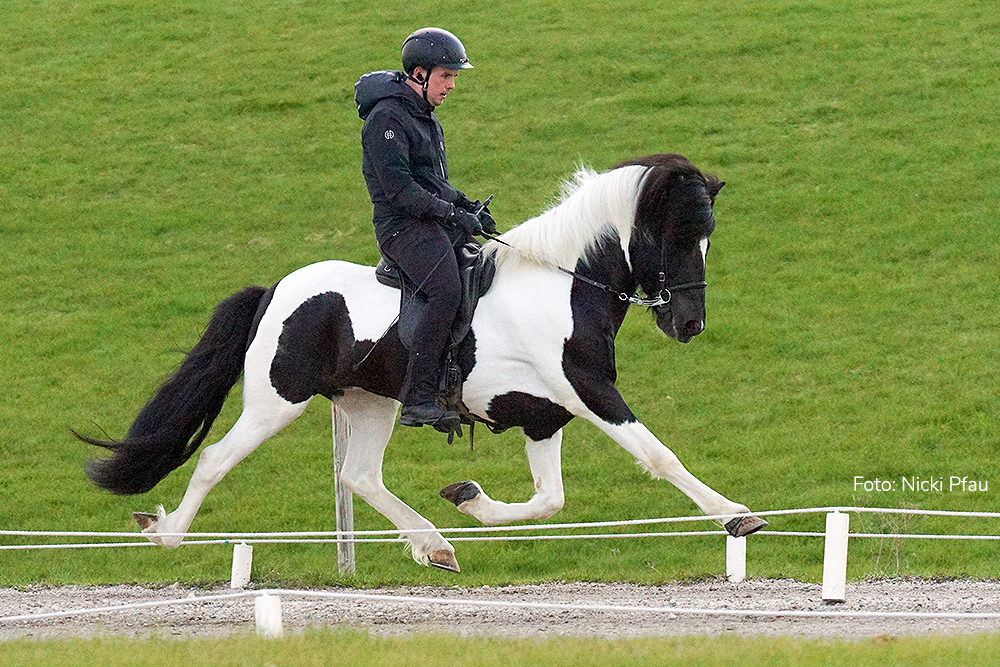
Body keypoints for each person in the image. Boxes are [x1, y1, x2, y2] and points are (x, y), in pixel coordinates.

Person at [355, 28, 496, 434]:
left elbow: (432, 180)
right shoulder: (387, 120)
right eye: (446, 76)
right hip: (401, 228)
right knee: (446, 290)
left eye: (455, 77)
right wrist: (453, 217)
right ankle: (418, 398)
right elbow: (401, 191)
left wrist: (468, 207)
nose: (452, 85)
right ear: (419, 74)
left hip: (426, 220)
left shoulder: (423, 117)